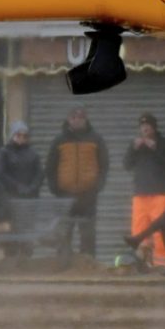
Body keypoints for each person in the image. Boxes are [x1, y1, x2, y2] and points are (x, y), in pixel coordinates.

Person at [45, 108, 107, 258]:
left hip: (88, 195)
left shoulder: (96, 139)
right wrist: (55, 189)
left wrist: (97, 187)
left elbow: (104, 165)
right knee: (65, 231)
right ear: (68, 119)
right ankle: (64, 263)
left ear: (86, 119)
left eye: (80, 117)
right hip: (65, 194)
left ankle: (88, 263)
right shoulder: (59, 140)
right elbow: (50, 166)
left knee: (88, 233)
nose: (77, 120)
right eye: (73, 117)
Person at [124, 113, 165, 265]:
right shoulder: (136, 145)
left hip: (160, 194)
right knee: (139, 230)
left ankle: (163, 263)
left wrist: (155, 149)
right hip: (140, 194)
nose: (145, 129)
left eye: (148, 126)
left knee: (160, 231)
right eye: (142, 127)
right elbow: (126, 165)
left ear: (154, 128)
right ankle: (141, 263)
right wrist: (133, 149)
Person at [0, 122, 43, 201]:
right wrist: (17, 187)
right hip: (10, 196)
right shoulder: (4, 152)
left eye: (24, 136)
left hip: (31, 196)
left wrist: (33, 187)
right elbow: (1, 173)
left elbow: (39, 173)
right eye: (18, 135)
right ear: (12, 135)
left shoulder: (33, 153)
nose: (21, 138)